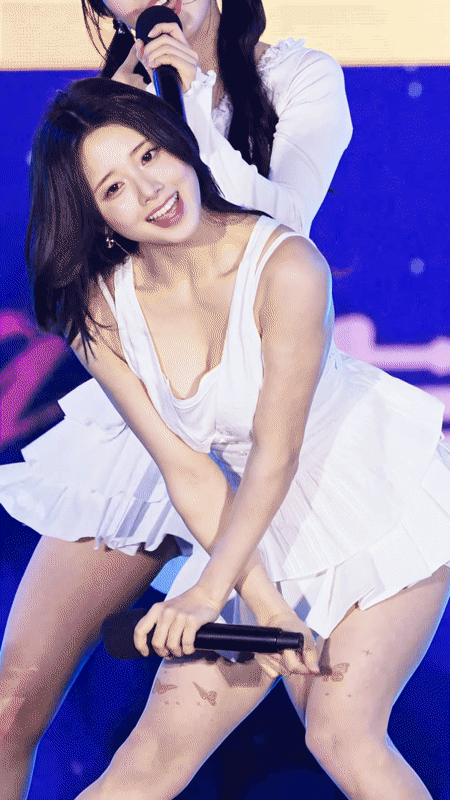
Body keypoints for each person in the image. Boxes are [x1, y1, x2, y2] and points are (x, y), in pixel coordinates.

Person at [1, 78, 450, 800]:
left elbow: (279, 450)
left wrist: (209, 592)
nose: (150, 190)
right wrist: (263, 605)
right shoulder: (101, 306)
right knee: (149, 760)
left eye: (150, 155)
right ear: (96, 216)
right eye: (114, 186)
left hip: (373, 496)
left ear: (179, 144)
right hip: (248, 519)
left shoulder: (287, 266)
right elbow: (185, 467)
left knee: (343, 735)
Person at [81, 0, 353, 236]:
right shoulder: (100, 117)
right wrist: (119, 116)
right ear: (105, 9)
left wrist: (192, 103)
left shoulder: (303, 75)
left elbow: (288, 228)